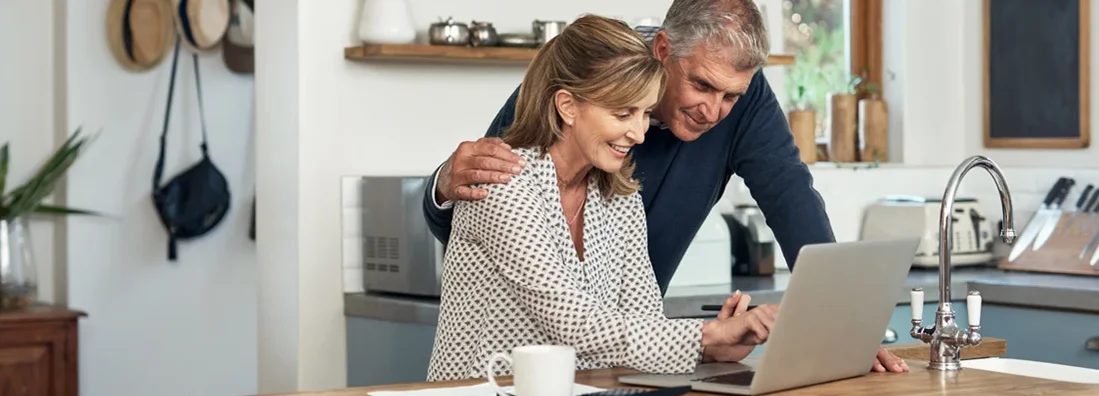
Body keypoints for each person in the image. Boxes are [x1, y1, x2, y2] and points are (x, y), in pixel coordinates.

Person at [423, 0, 908, 375]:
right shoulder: (584, 78)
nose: (715, 111)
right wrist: (445, 183)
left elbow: (791, 197)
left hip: (596, 375)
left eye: (730, 96)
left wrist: (843, 330)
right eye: (702, 85)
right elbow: (488, 185)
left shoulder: (619, 187)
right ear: (663, 53)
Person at [426, 14, 779, 382]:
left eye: (644, 113)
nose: (639, 133)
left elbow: (642, 325)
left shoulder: (619, 195)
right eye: (622, 113)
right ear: (568, 106)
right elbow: (574, 323)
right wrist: (707, 335)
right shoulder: (505, 185)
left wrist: (713, 347)